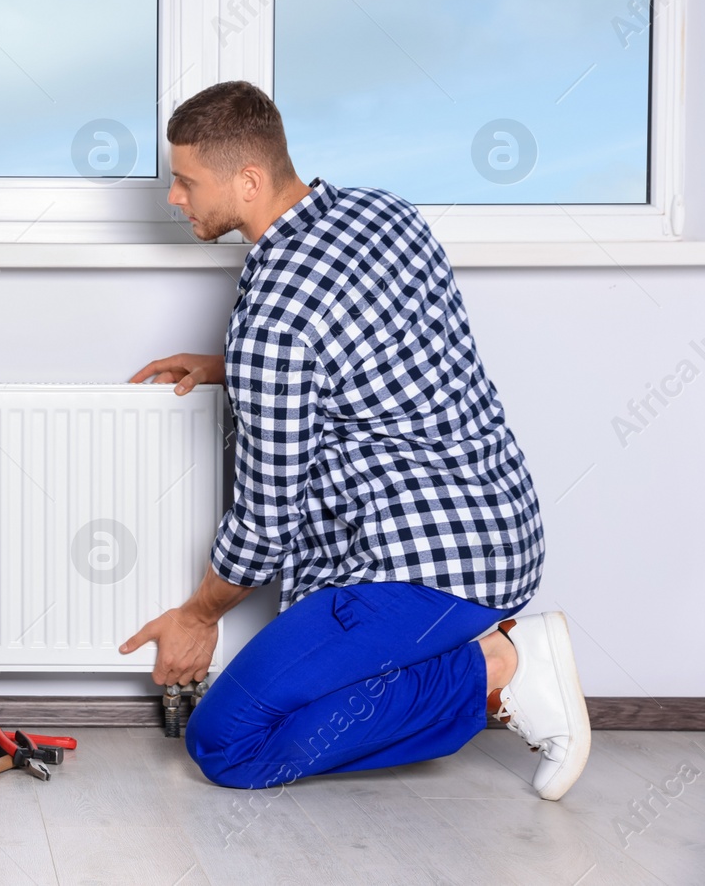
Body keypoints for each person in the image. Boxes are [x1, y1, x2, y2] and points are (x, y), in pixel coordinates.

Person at [120, 80, 589, 800]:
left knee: (227, 742)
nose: (176, 198)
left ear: (248, 181)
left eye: (186, 182)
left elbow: (265, 523)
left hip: (421, 571)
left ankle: (502, 664)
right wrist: (235, 371)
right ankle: (485, 648)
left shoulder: (275, 319)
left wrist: (199, 614)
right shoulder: (383, 213)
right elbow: (384, 352)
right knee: (298, 699)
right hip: (504, 531)